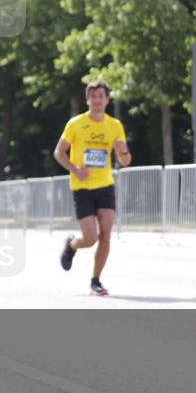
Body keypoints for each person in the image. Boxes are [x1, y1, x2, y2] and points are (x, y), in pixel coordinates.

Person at [53, 80, 131, 296]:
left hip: (105, 185)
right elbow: (59, 153)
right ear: (88, 100)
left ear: (107, 99)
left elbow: (125, 162)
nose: (97, 100)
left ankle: (95, 280)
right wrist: (75, 169)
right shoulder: (75, 124)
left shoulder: (115, 126)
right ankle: (72, 245)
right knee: (90, 239)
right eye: (93, 96)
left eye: (101, 96)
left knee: (105, 236)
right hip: (82, 187)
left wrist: (123, 152)